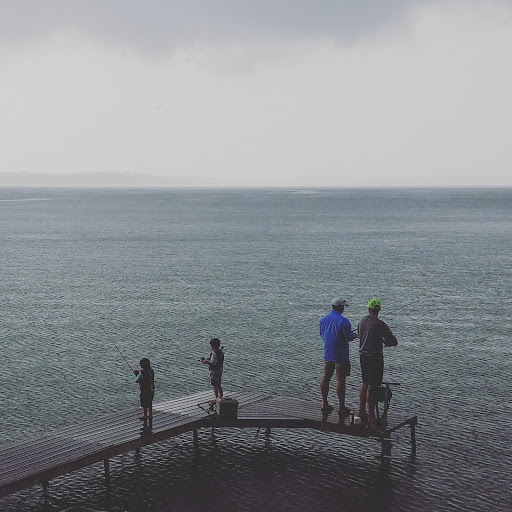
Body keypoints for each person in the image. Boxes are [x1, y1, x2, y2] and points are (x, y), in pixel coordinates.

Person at [357, 299, 397, 427]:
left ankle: (361, 411)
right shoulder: (379, 324)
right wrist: (386, 342)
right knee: (373, 386)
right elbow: (393, 341)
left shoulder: (362, 321)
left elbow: (359, 334)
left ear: (368, 309)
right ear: (379, 310)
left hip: (363, 356)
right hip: (375, 358)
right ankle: (371, 416)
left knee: (365, 382)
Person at [319, 298, 357, 415]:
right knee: (341, 379)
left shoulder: (323, 319)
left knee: (326, 377)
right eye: (343, 306)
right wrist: (354, 335)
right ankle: (341, 407)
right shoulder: (344, 321)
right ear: (340, 307)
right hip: (341, 354)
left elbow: (322, 335)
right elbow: (348, 337)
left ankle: (324, 403)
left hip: (328, 353)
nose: (344, 308)